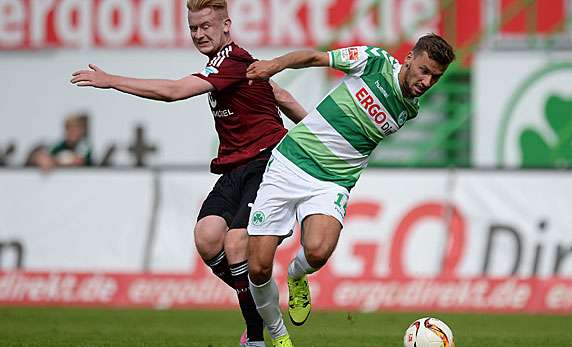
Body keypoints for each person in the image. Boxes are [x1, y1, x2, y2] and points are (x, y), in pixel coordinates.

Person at [70, 1, 306, 346]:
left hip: (268, 163)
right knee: (208, 237)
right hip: (236, 167)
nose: (199, 34)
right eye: (193, 28)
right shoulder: (232, 65)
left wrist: (112, 81)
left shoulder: (231, 61)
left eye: (206, 26)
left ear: (227, 25)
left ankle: (258, 337)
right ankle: (263, 308)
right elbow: (279, 94)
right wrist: (313, 129)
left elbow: (173, 92)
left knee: (236, 242)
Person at [244, 33, 455, 346]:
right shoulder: (374, 61)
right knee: (258, 267)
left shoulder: (410, 109)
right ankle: (277, 335)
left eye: (435, 78)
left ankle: (296, 275)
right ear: (409, 58)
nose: (427, 81)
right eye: (424, 70)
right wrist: (275, 65)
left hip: (332, 182)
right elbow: (316, 58)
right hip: (290, 163)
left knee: (317, 252)